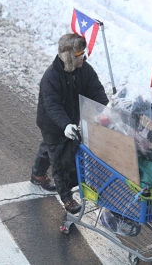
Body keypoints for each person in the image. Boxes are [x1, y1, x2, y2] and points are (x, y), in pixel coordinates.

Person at [30, 33, 109, 214]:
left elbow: (95, 90)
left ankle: (37, 174)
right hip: (53, 124)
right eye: (80, 54)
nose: (84, 57)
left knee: (48, 148)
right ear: (69, 57)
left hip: (72, 120)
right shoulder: (51, 78)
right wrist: (65, 125)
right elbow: (52, 106)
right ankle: (66, 198)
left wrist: (105, 108)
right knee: (59, 158)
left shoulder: (85, 70)